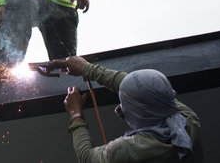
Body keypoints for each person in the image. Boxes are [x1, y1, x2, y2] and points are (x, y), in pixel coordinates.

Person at [54, 56, 203, 163]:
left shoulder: (132, 150)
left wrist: (75, 115)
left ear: (136, 112)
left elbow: (87, 158)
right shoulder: (188, 119)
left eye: (124, 102)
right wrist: (89, 69)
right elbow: (143, 90)